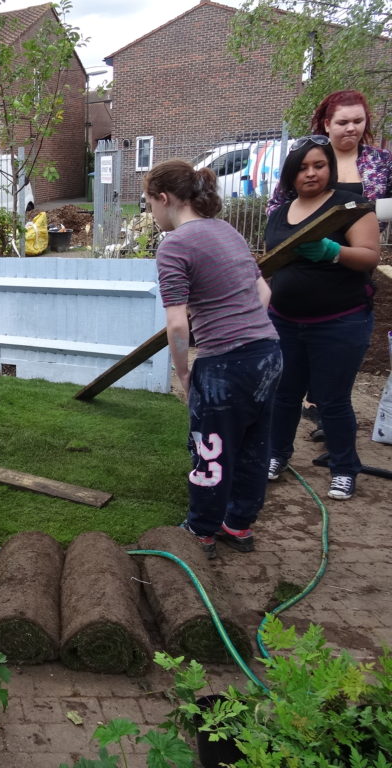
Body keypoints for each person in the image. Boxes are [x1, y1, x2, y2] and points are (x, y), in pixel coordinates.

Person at [146, 159, 282, 559]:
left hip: (225, 364)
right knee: (255, 445)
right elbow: (264, 296)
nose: (150, 212)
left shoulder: (174, 245)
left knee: (211, 448)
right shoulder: (227, 231)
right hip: (268, 355)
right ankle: (238, 524)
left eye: (148, 202)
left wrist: (185, 372)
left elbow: (176, 325)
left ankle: (201, 531)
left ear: (165, 199)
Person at [264, 135, 380, 500]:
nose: (311, 173)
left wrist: (333, 252)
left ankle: (344, 466)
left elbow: (369, 257)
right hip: (284, 319)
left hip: (340, 321)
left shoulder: (350, 206)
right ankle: (277, 454)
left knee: (332, 399)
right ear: (290, 174)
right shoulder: (280, 213)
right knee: (283, 394)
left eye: (319, 165)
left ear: (330, 167)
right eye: (302, 168)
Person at [268, 90, 392, 213]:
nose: (351, 128)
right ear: (327, 124)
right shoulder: (306, 156)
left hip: (365, 232)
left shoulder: (382, 160)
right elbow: (275, 205)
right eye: (342, 123)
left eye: (358, 121)